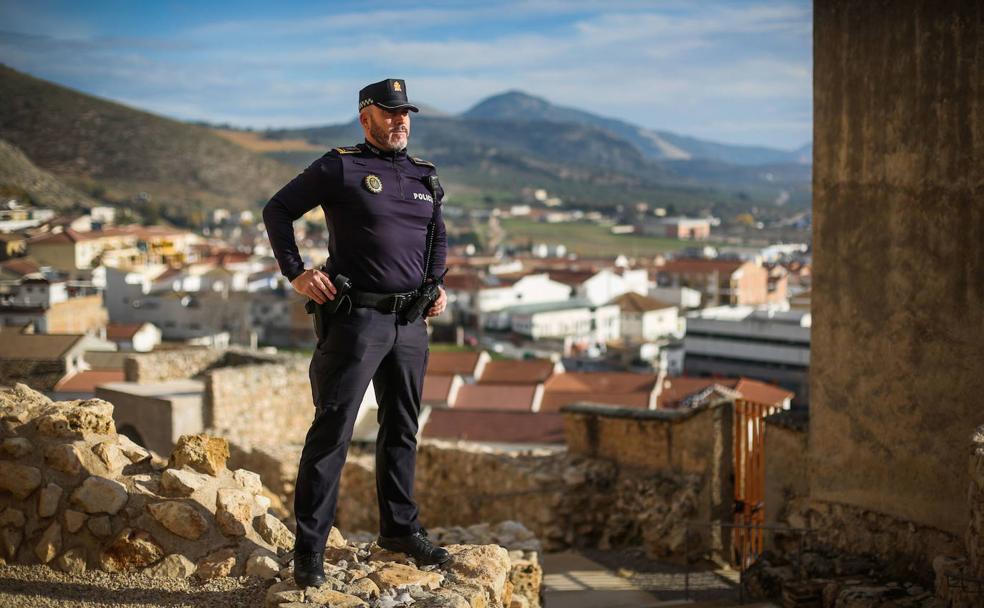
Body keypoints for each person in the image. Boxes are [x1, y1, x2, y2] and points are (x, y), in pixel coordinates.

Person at [262, 78, 451, 588]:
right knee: (333, 434)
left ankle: (400, 530)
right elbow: (277, 209)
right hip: (356, 322)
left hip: (410, 323)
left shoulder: (424, 177)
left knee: (401, 429)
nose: (400, 121)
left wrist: (437, 285)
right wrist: (296, 271)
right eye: (389, 113)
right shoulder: (341, 166)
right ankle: (310, 549)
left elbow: (437, 237)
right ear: (365, 117)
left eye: (405, 113)